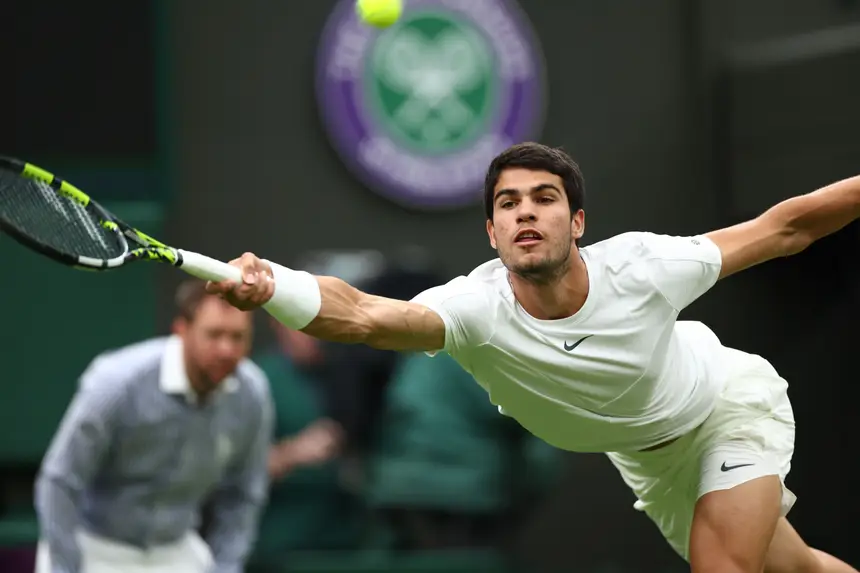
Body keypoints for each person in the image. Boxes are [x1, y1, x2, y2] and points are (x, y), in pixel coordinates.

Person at [205, 142, 859, 573]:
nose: (526, 212)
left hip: (723, 407)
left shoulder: (645, 266)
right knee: (796, 567)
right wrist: (273, 287)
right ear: (491, 233)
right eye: (508, 203)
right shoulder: (474, 308)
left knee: (726, 566)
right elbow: (366, 315)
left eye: (544, 198)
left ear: (577, 222)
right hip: (650, 461)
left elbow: (786, 228)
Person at [34, 278, 273, 573]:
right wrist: (64, 566)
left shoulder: (253, 394)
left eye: (238, 337)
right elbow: (60, 480)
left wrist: (226, 567)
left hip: (177, 552)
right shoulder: (116, 382)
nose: (226, 350)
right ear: (182, 331)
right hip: (93, 548)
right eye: (214, 334)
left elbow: (244, 494)